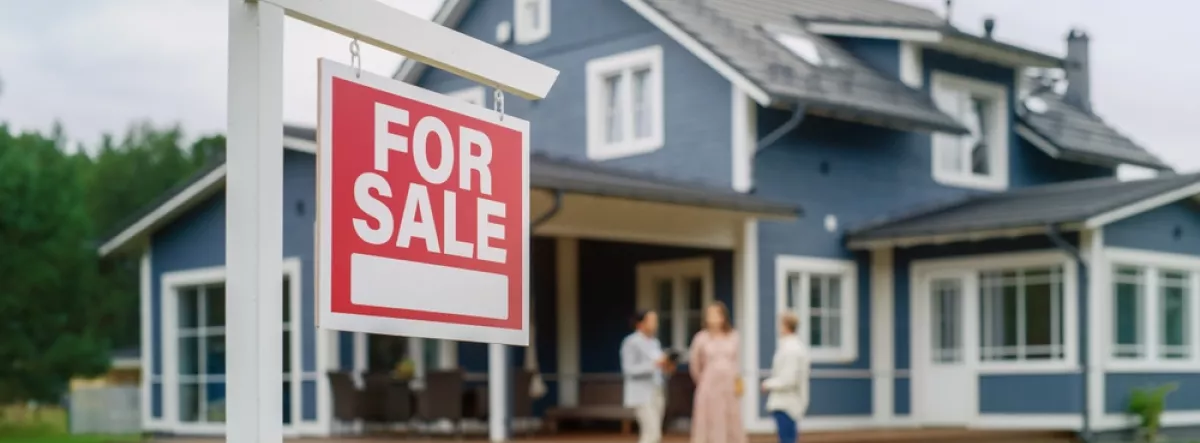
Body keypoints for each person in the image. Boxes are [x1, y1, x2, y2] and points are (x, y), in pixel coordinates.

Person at [688, 301, 746, 443]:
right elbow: (694, 364)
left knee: (730, 419)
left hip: (728, 386)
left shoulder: (733, 336)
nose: (712, 318)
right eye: (709, 315)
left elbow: (737, 361)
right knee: (709, 420)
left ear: (723, 317)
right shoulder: (701, 338)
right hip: (709, 385)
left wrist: (738, 382)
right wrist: (702, 380)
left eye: (716, 314)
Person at [621, 310, 672, 443]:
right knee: (651, 431)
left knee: (654, 434)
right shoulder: (631, 342)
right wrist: (653, 365)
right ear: (641, 324)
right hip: (641, 393)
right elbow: (629, 369)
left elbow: (659, 367)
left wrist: (666, 366)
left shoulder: (655, 342)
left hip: (657, 390)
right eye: (651, 320)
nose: (656, 324)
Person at [761, 312, 811, 443]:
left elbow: (789, 380)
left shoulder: (791, 349)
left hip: (787, 404)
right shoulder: (792, 346)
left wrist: (768, 384)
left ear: (786, 326)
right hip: (787, 403)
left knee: (787, 440)